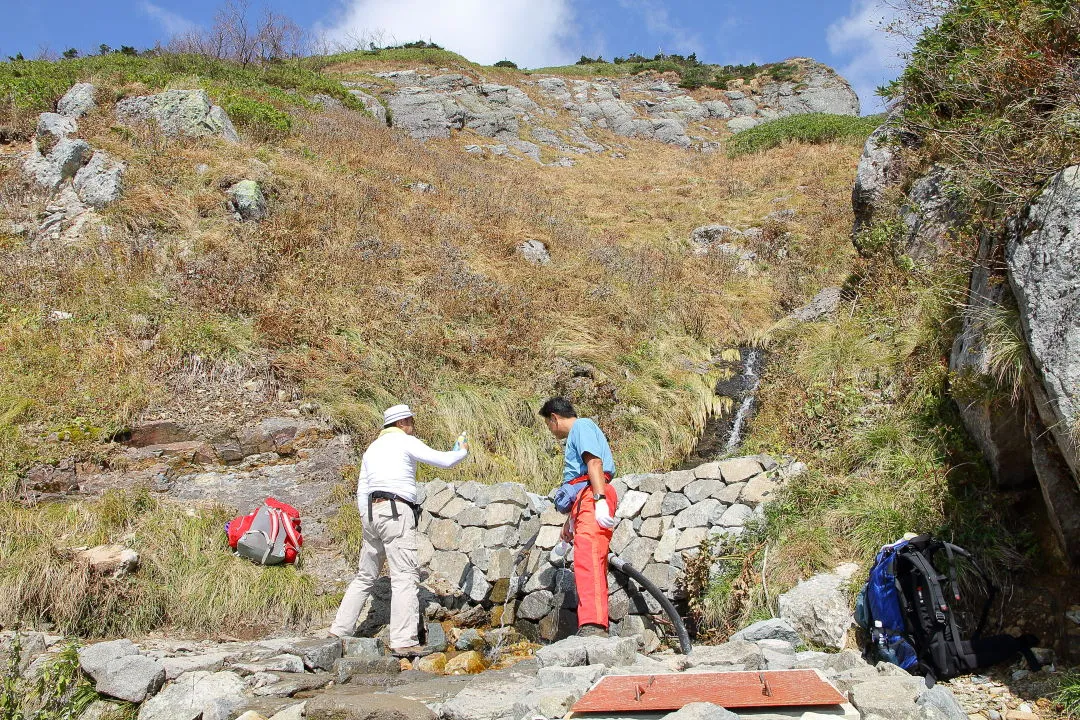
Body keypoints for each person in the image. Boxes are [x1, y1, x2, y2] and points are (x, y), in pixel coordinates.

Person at [329, 404, 468, 656]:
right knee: (405, 575)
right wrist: (461, 451)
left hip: (371, 513)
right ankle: (403, 641)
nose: (412, 424)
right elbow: (444, 460)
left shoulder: (372, 448)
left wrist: (366, 518)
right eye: (410, 420)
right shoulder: (405, 441)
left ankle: (339, 630)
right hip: (395, 510)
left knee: (365, 575)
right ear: (402, 422)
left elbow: (362, 488)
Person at [539, 397, 618, 637]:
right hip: (587, 497)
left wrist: (600, 500)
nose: (551, 431)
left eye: (548, 424)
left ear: (554, 417)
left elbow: (593, 462)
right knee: (586, 556)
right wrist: (570, 521)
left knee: (589, 555)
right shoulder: (579, 432)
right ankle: (592, 623)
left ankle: (594, 625)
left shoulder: (582, 426)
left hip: (595, 494)